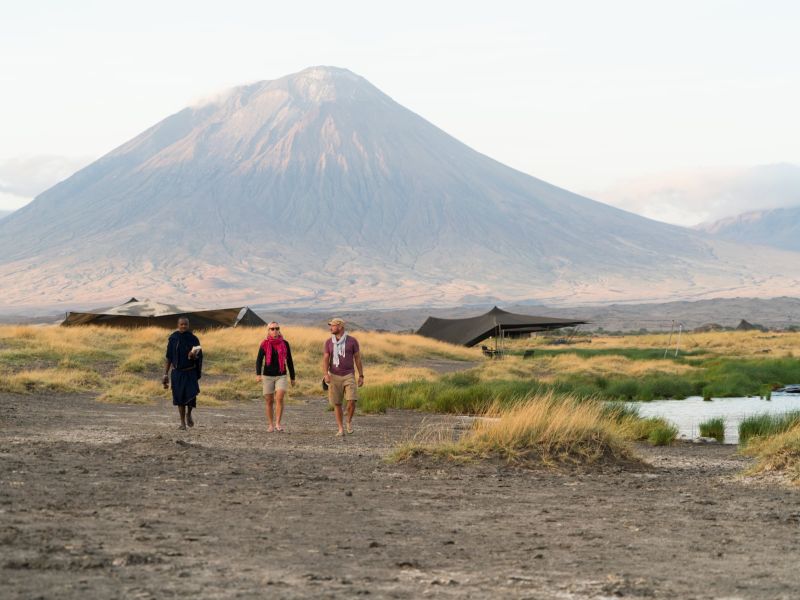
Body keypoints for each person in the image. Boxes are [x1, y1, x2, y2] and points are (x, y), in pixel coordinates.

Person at [322, 317, 364, 436]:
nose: (331, 328)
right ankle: (340, 428)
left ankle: (348, 422)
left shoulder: (352, 341)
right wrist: (325, 374)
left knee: (352, 400)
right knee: (337, 403)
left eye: (333, 325)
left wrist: (361, 375)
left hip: (349, 374)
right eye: (330, 325)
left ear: (340, 326)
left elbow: (357, 359)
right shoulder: (329, 342)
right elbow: (325, 359)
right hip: (334, 375)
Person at [163, 317, 202, 430]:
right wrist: (165, 374)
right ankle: (182, 423)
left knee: (191, 396)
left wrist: (193, 355)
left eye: (185, 324)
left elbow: (199, 355)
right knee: (179, 398)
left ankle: (189, 413)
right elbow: (169, 357)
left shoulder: (193, 339)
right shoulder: (173, 338)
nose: (183, 326)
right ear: (178, 325)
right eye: (181, 324)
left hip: (190, 372)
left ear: (188, 325)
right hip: (177, 373)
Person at [256, 321, 296, 432]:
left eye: (277, 328)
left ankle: (278, 423)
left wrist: (292, 377)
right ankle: (270, 425)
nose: (275, 331)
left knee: (279, 398)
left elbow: (290, 361)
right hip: (268, 375)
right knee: (269, 401)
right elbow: (259, 361)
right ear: (268, 331)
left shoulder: (285, 343)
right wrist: (258, 374)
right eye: (272, 329)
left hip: (281, 374)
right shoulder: (264, 344)